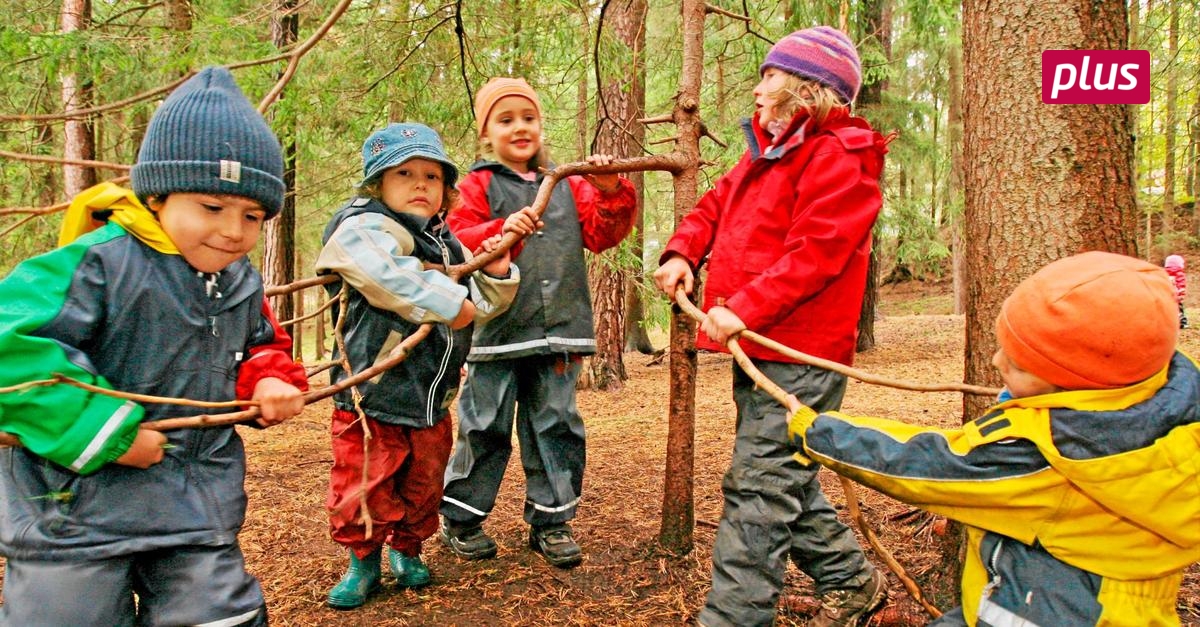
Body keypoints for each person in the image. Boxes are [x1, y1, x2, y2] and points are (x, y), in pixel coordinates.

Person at [0, 66, 309, 627]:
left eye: (253, 216)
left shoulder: (238, 281)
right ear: (158, 196)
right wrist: (110, 434)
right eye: (212, 208)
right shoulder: (97, 264)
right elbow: (10, 351)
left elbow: (260, 343)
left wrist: (269, 378)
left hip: (195, 507)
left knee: (220, 617)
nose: (233, 231)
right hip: (75, 511)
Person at [788, 251, 1200, 625]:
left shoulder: (1046, 456)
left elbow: (926, 464)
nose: (996, 361)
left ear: (1072, 384)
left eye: (1018, 365)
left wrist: (817, 429)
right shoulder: (1163, 411)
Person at [653, 26, 890, 627]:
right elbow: (713, 207)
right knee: (784, 477)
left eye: (771, 76)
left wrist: (747, 307)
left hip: (801, 355)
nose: (759, 90)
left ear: (808, 90)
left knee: (759, 493)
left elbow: (818, 252)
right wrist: (683, 251)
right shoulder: (764, 154)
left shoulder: (841, 157)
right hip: (760, 347)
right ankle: (851, 582)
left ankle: (733, 617)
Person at [316, 122, 520, 609]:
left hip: (433, 396)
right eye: (404, 172)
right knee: (364, 481)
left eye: (432, 175)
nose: (420, 184)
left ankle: (408, 548)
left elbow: (479, 306)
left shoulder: (444, 241)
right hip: (373, 396)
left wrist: (494, 275)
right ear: (377, 183)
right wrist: (451, 300)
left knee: (424, 480)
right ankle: (362, 561)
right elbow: (384, 274)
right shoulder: (362, 225)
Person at [439, 77, 637, 569]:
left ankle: (552, 520)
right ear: (487, 133)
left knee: (556, 424)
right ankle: (461, 517)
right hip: (497, 332)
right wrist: (500, 232)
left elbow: (602, 233)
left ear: (541, 124)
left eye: (527, 117)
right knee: (483, 424)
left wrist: (611, 191)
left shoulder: (568, 183)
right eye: (505, 121)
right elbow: (457, 237)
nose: (519, 128)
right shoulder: (477, 184)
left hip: (560, 330)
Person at [1165, 254, 1188, 329]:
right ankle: (1182, 323)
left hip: (1167, 295)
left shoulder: (1164, 273)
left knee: (1168, 310)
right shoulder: (1180, 274)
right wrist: (1181, 294)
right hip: (1177, 295)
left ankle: (1169, 323)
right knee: (1179, 309)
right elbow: (1181, 285)